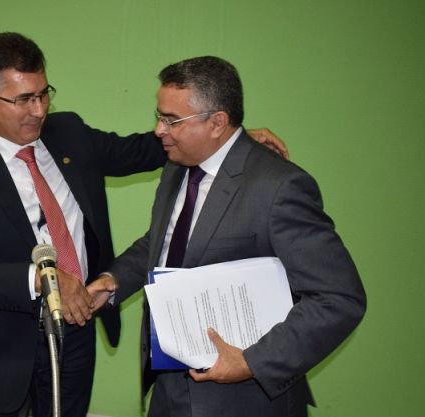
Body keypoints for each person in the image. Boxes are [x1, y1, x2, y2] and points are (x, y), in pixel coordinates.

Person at [0, 32, 288, 417]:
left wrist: (230, 139)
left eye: (44, 94)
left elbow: (143, 149)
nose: (39, 110)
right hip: (0, 345)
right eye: (24, 99)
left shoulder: (68, 133)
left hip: (77, 327)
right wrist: (40, 278)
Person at [88, 56, 366, 417]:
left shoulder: (279, 187)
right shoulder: (177, 166)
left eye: (172, 120)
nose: (158, 130)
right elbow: (163, 241)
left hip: (243, 400)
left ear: (217, 122)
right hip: (168, 389)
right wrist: (113, 281)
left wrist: (252, 361)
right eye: (159, 116)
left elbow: (339, 298)